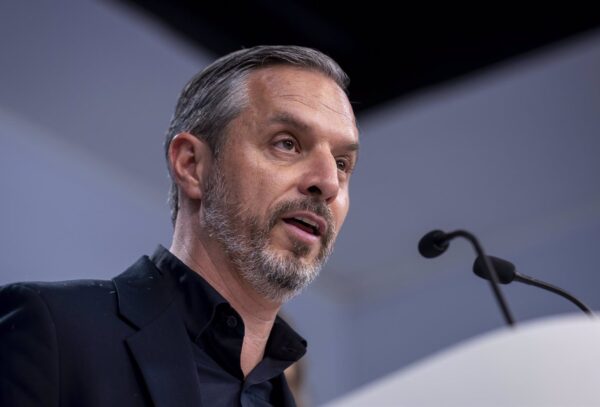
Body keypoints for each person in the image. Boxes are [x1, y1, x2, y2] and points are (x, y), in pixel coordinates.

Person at [0, 45, 359, 406]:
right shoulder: (54, 329)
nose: (328, 182)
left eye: (342, 163)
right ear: (191, 165)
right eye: (287, 144)